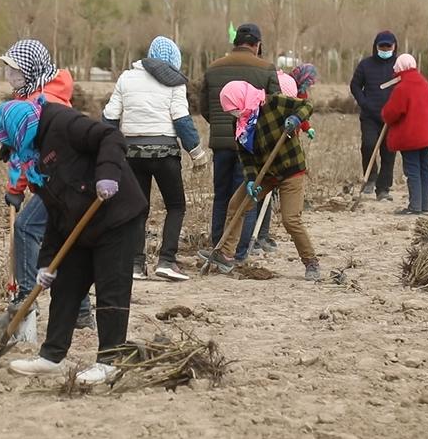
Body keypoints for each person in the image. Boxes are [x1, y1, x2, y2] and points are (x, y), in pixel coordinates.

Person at [0, 99, 147, 383]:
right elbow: (55, 212)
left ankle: (110, 361)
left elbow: (111, 136)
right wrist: (46, 262)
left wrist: (108, 175)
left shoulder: (63, 123)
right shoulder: (33, 159)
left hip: (116, 215)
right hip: (81, 223)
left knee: (111, 286)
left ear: (19, 127)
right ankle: (52, 357)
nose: (11, 147)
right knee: (65, 286)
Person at [0, 39, 93, 337]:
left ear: (32, 71)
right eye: (8, 71)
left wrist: (16, 187)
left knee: (26, 228)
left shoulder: (40, 103)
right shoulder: (43, 95)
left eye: (16, 72)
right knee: (63, 242)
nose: (11, 79)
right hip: (68, 179)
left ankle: (24, 304)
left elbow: (31, 153)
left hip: (66, 180)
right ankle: (83, 314)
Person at [102, 36, 207, 282]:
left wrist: (105, 150)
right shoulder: (174, 82)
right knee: (176, 206)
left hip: (132, 154)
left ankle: (136, 265)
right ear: (174, 60)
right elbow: (181, 120)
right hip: (165, 153)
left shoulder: (126, 78)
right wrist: (196, 153)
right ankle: (167, 261)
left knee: (138, 208)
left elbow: (109, 116)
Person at [197, 81, 321, 280]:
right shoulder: (240, 123)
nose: (234, 113)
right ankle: (225, 254)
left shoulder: (274, 103)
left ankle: (311, 262)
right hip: (265, 173)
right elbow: (245, 156)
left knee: (290, 219)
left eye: (235, 108)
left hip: (290, 170)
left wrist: (296, 119)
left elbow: (307, 105)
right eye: (231, 111)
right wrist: (251, 179)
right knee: (236, 205)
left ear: (242, 99)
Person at [199, 23, 280, 259]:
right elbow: (275, 107)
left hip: (222, 144)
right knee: (246, 198)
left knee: (222, 196)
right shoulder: (266, 69)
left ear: (235, 42)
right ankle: (240, 251)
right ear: (257, 44)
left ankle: (218, 247)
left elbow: (205, 108)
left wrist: (222, 126)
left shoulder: (213, 68)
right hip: (252, 145)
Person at [381, 55, 428, 214]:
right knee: (424, 169)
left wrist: (385, 114)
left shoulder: (403, 87)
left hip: (410, 136)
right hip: (425, 135)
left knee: (412, 170)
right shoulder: (425, 84)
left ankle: (415, 207)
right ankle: (426, 206)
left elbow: (392, 113)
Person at [350, 31, 399, 201]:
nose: (385, 49)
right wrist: (364, 103)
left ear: (394, 47)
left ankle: (383, 189)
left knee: (389, 152)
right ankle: (370, 177)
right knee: (368, 145)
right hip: (370, 116)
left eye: (388, 46)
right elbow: (355, 86)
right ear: (376, 47)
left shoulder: (398, 66)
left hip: (392, 118)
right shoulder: (365, 65)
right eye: (382, 46)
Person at [290, 63, 319, 140]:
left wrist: (307, 128)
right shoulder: (288, 85)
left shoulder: (302, 91)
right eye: (309, 80)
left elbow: (301, 114)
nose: (310, 84)